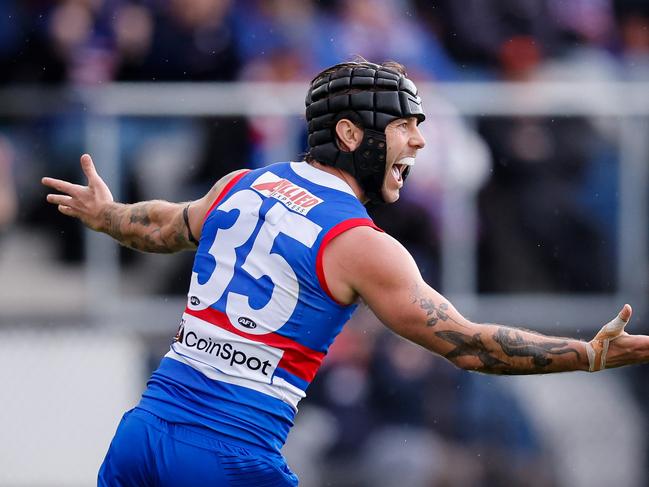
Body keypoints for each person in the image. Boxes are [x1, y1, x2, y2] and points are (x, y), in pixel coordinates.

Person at [42, 60, 649, 487]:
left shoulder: (242, 184)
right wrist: (586, 354)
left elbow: (161, 227)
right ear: (350, 134)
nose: (417, 143)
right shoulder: (360, 243)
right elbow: (470, 347)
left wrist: (106, 214)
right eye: (404, 127)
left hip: (142, 434)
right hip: (228, 457)